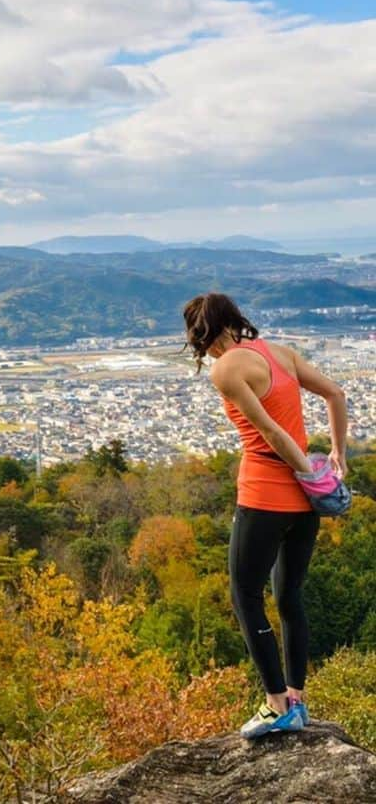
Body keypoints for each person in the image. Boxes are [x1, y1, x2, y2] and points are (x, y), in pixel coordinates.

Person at [182, 292, 349, 739]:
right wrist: (333, 459)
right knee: (289, 596)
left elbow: (270, 432)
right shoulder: (279, 353)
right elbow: (335, 393)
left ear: (206, 333)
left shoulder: (227, 367)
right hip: (304, 503)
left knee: (245, 595)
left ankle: (276, 706)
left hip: (264, 494)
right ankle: (297, 699)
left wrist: (304, 473)